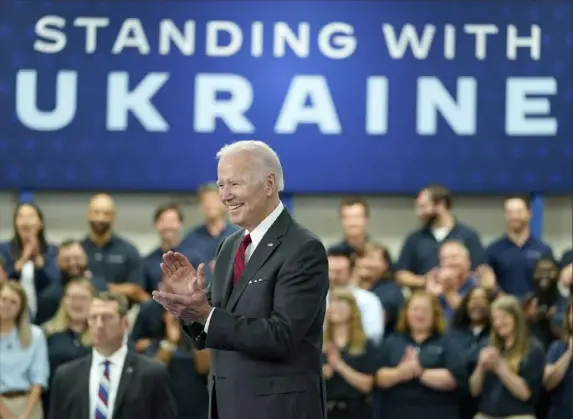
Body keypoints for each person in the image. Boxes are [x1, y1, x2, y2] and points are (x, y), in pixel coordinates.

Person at [152, 140, 330, 419]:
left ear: (269, 184)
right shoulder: (229, 246)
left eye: (234, 184)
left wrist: (207, 315)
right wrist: (191, 307)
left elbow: (282, 336)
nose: (225, 196)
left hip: (278, 410)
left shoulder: (303, 248)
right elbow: (209, 331)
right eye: (221, 185)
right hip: (227, 407)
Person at [48, 292, 177, 419]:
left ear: (125, 324)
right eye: (93, 318)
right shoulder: (66, 376)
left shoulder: (152, 373)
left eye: (107, 317)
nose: (99, 324)